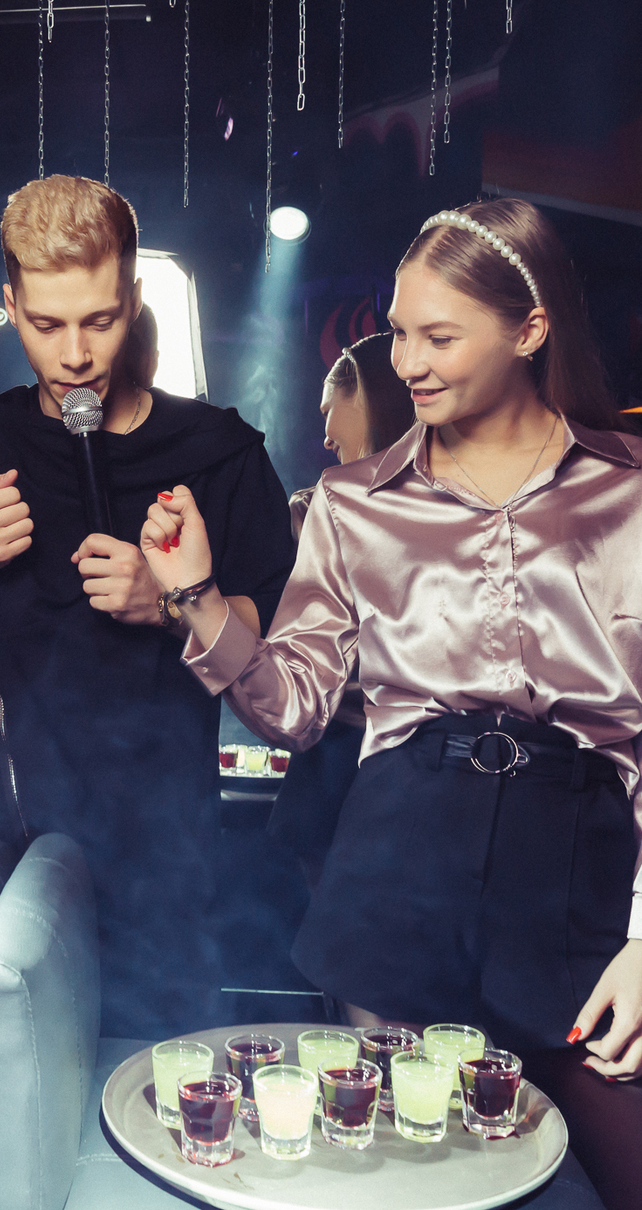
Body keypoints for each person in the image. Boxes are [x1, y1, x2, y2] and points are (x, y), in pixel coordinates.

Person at [140, 200, 642, 1210]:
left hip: (576, 879)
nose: (405, 361)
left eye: (437, 335)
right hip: (399, 868)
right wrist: (197, 599)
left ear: (530, 328)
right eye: (398, 331)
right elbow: (296, 706)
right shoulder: (353, 502)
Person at [0, 175, 297, 1038]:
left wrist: (170, 602)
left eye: (98, 321)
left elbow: (271, 643)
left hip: (160, 849)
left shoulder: (217, 451)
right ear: (10, 306)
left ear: (132, 298)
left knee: (161, 1075)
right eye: (45, 324)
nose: (73, 355)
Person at [265, 332, 417, 892]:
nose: (326, 435)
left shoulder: (460, 510)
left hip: (428, 763)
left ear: (372, 396)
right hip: (341, 749)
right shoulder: (314, 511)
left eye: (331, 409)